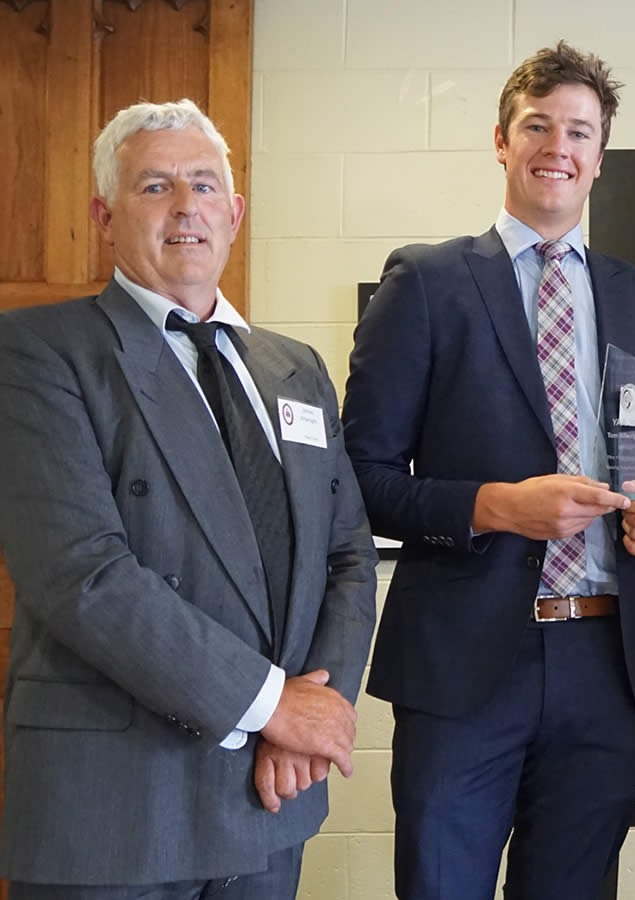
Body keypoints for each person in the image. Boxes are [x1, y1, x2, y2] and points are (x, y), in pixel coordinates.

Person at [341, 41, 635, 899]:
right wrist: (496, 506)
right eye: (537, 125)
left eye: (579, 131)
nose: (558, 146)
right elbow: (359, 477)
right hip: (465, 664)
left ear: (600, 157)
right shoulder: (426, 282)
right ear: (501, 141)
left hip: (604, 663)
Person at [0, 99, 378, 898]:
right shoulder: (36, 354)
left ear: (234, 214)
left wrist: (318, 710)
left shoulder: (296, 368)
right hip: (118, 809)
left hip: (271, 795)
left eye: (204, 186)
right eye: (155, 187)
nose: (186, 209)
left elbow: (347, 554)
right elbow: (82, 575)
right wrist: (277, 705)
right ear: (105, 216)